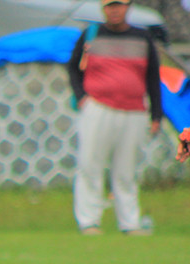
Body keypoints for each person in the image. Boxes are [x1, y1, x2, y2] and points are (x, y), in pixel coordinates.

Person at [68, 0, 161, 236]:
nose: (115, 10)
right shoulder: (91, 34)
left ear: (128, 7)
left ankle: (130, 223)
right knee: (90, 164)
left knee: (126, 170)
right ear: (103, 9)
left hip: (133, 110)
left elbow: (152, 77)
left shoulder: (142, 38)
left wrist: (156, 114)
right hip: (98, 106)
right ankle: (89, 221)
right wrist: (81, 97)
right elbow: (73, 68)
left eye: (119, 5)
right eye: (110, 6)